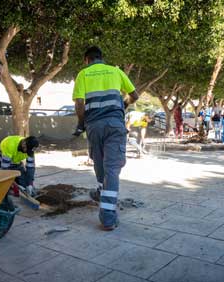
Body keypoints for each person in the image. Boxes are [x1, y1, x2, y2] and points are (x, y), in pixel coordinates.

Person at [72, 46, 139, 231]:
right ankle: (107, 215)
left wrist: (81, 123)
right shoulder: (116, 72)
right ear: (101, 58)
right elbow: (135, 95)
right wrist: (122, 104)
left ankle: (104, 198)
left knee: (99, 163)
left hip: (94, 125)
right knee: (112, 169)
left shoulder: (83, 74)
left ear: (87, 60)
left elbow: (79, 103)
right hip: (115, 125)